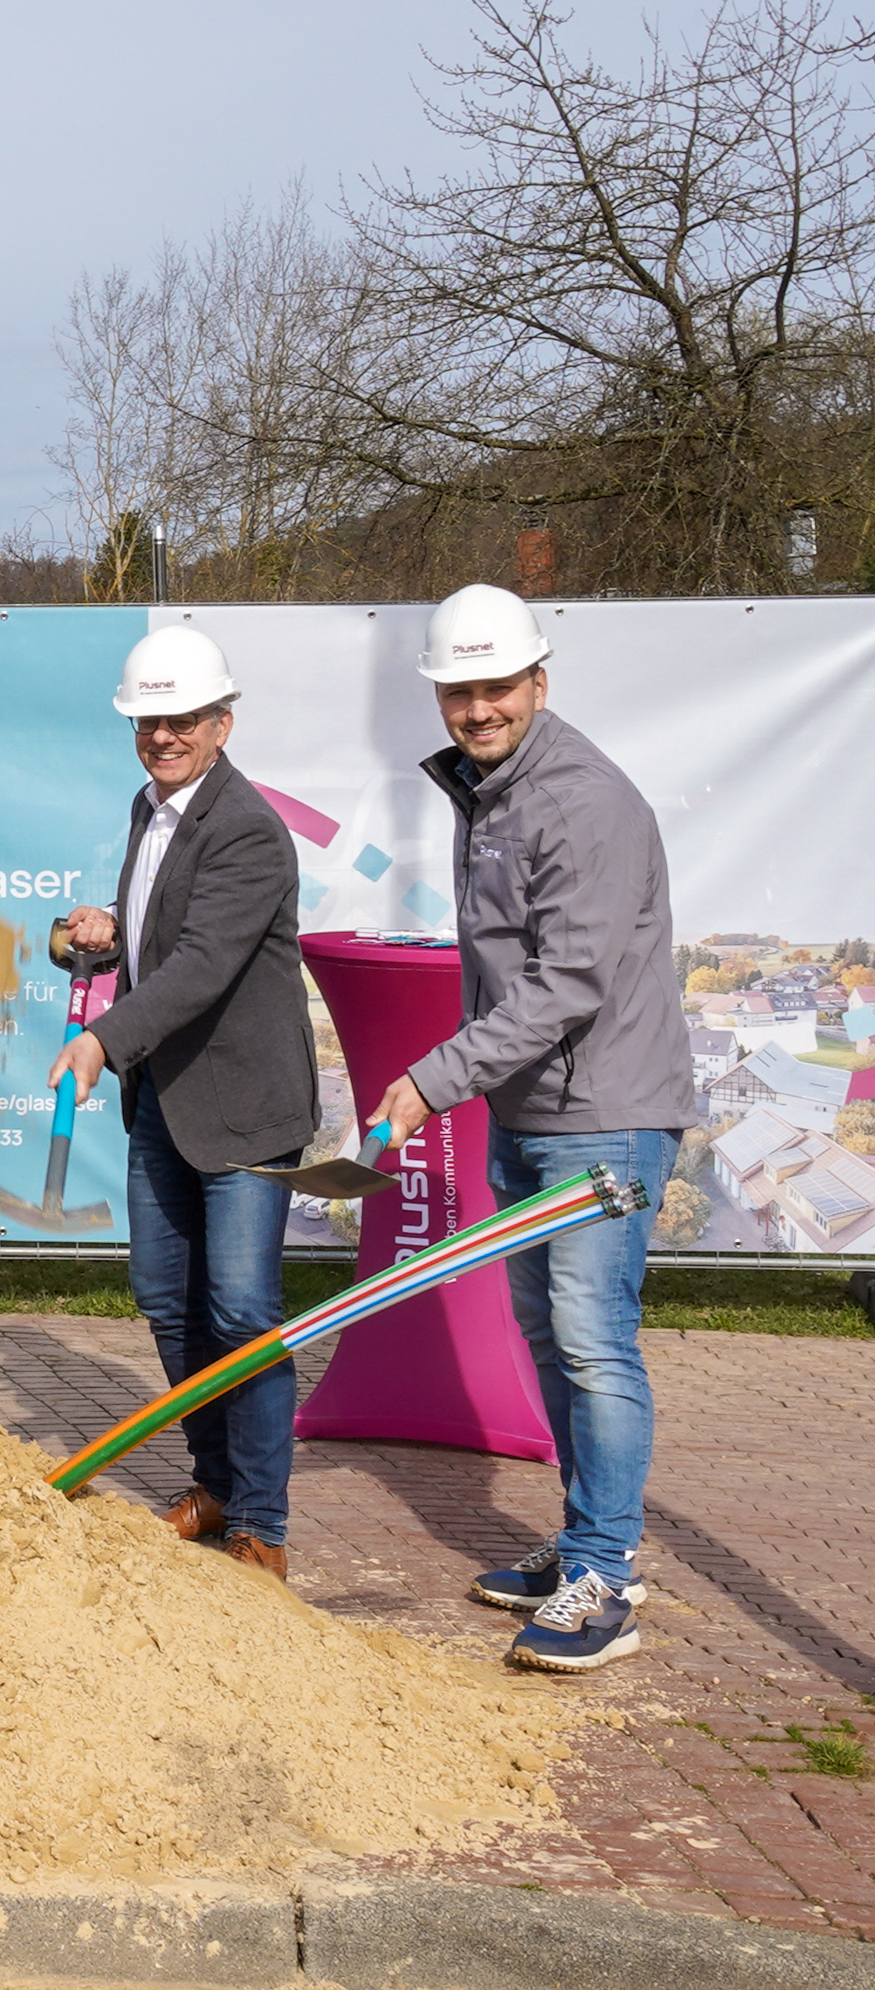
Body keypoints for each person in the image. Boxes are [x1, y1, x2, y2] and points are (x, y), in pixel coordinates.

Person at [367, 583, 689, 1673]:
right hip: (534, 1110)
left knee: (595, 1342)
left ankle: (607, 1571)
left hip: (605, 1115)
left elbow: (566, 985)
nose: (477, 707)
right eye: (460, 690)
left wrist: (430, 1080)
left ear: (538, 681)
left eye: (497, 685)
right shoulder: (494, 792)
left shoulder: (582, 800)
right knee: (551, 1335)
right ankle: (583, 1542)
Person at [44, 626, 316, 1579]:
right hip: (165, 1097)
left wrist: (101, 1036)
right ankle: (216, 1483)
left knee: (241, 1312)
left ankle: (264, 1526)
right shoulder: (152, 810)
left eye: (183, 720)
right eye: (149, 720)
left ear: (222, 723)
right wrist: (114, 929)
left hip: (242, 1109)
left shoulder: (248, 828)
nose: (163, 735)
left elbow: (206, 964)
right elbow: (175, 931)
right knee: (170, 1302)